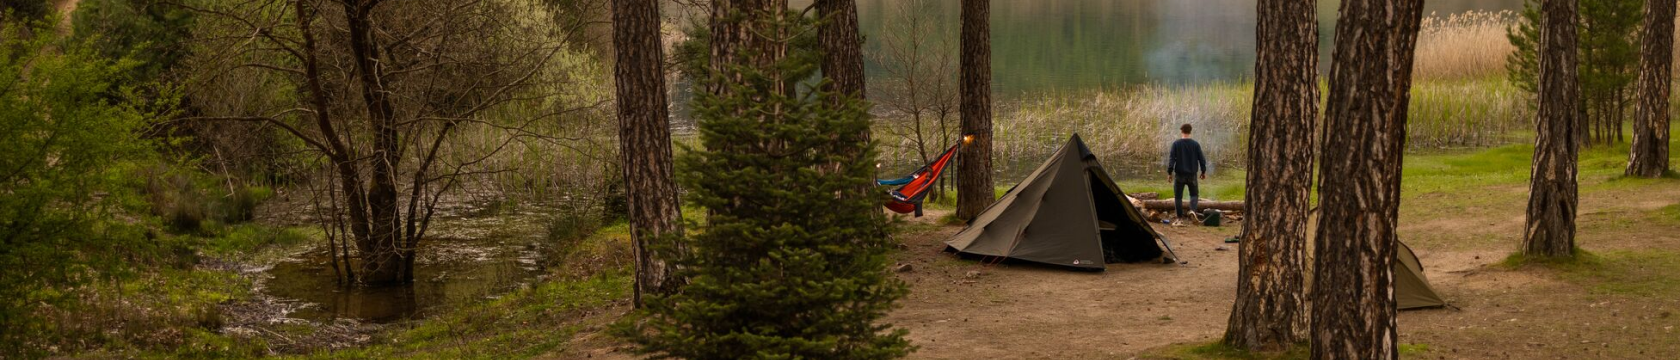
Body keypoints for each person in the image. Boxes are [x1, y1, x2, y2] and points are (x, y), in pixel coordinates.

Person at [1166, 123, 1207, 222]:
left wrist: (1169, 172)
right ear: (1190, 131)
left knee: (1178, 197)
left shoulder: (1176, 144)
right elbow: (1202, 159)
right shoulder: (1195, 144)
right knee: (1194, 195)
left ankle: (1179, 218)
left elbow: (1172, 160)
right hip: (1192, 175)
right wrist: (1203, 171)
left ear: (1181, 131)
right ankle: (1192, 210)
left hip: (1179, 175)